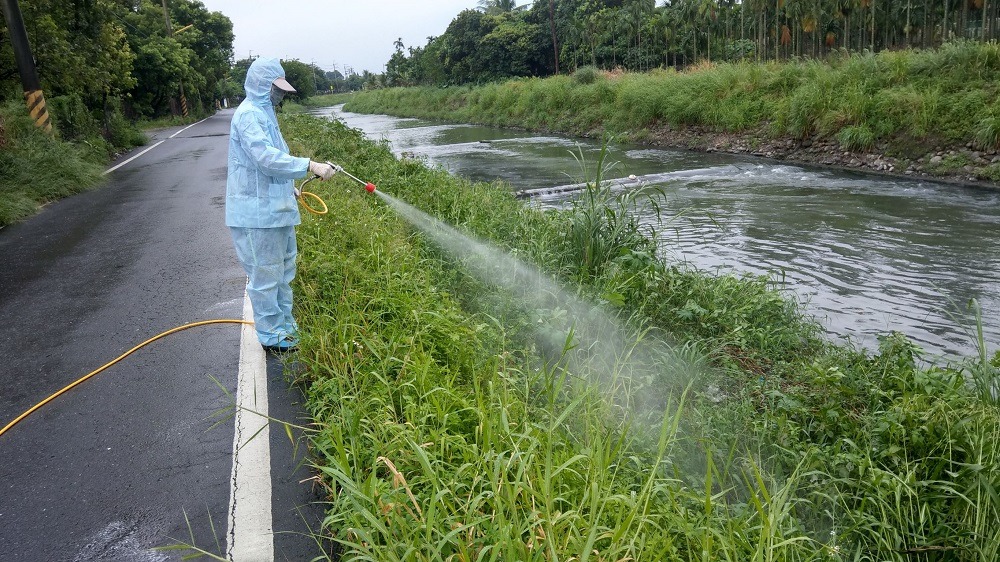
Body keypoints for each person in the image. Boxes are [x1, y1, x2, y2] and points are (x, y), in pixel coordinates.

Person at [226, 57, 336, 353]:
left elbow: (272, 161)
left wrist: (291, 189)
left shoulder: (265, 114)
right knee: (265, 275)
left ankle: (285, 326)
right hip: (256, 213)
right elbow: (265, 159)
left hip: (276, 209)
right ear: (262, 85)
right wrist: (310, 165)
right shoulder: (249, 115)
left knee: (284, 271)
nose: (280, 95)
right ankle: (272, 337)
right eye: (276, 89)